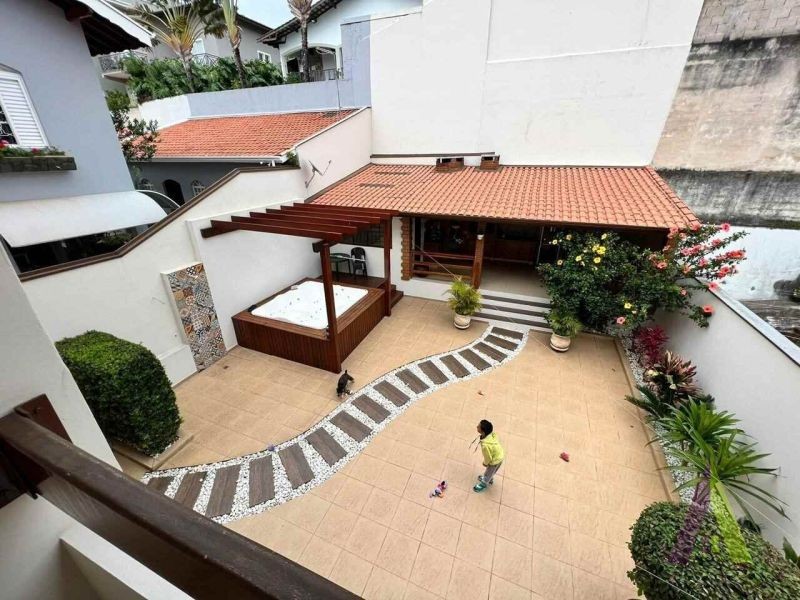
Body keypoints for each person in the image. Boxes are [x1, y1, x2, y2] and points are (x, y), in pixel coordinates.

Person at [474, 419, 504, 492]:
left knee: (488, 472)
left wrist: (485, 463)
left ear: (483, 432)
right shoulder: (491, 435)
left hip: (495, 460)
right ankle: (489, 479)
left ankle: (483, 484)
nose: (477, 426)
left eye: (478, 427)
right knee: (491, 471)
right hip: (499, 455)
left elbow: (488, 457)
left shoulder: (485, 445)